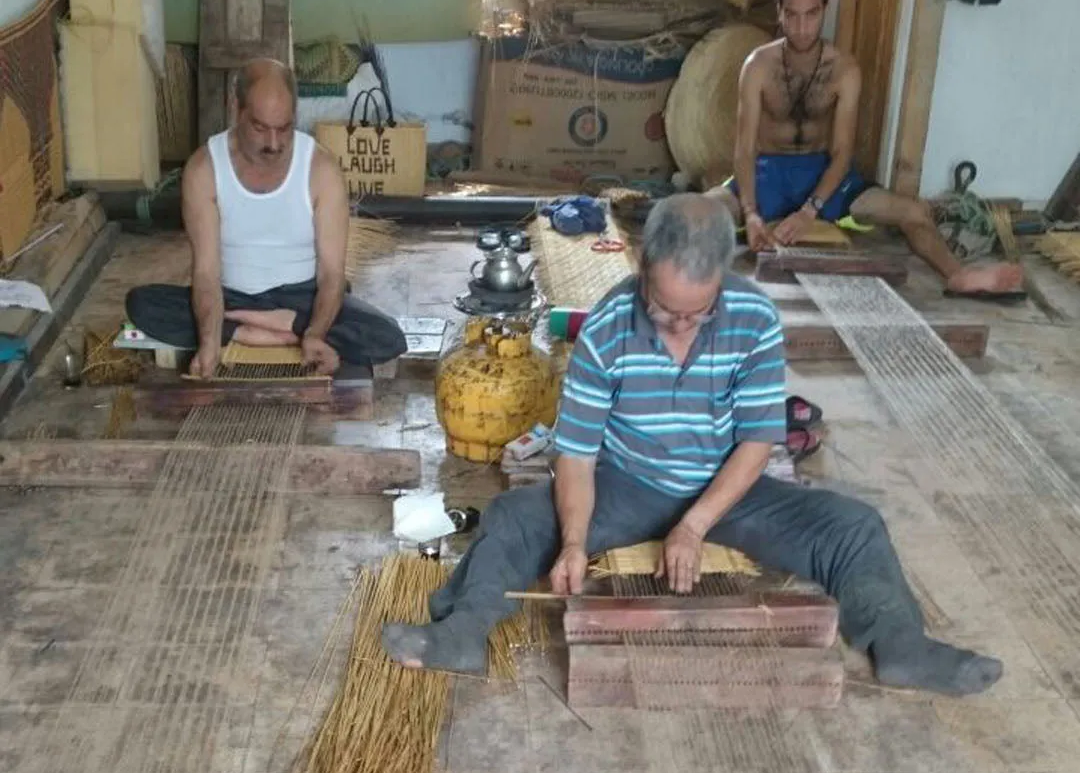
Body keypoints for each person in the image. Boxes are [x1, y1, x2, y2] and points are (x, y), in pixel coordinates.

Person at [383, 195, 1002, 697]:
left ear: (721, 284)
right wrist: (573, 542)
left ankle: (901, 646)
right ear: (643, 269)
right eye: (662, 310)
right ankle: (461, 634)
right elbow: (577, 454)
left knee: (854, 527)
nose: (678, 326)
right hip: (626, 484)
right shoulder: (607, 326)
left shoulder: (754, 318)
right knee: (515, 519)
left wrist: (694, 526)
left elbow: (757, 440)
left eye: (697, 314)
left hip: (729, 488)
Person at [712, 0, 1023, 300]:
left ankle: (959, 275)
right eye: (791, 15)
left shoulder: (844, 69)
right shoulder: (757, 65)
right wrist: (751, 213)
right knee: (697, 213)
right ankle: (682, 287)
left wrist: (809, 210)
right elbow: (744, 149)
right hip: (767, 172)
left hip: (823, 174)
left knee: (915, 212)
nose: (801, 27)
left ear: (825, 9)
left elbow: (842, 152)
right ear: (779, 11)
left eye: (811, 15)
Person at [126, 58, 406, 377]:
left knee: (386, 335)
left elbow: (331, 275)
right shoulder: (204, 168)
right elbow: (205, 273)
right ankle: (268, 329)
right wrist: (209, 342)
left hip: (301, 298)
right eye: (260, 128)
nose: (273, 144)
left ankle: (253, 327)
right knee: (142, 305)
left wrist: (315, 333)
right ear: (236, 108)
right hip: (230, 296)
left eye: (284, 129)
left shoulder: (321, 169)